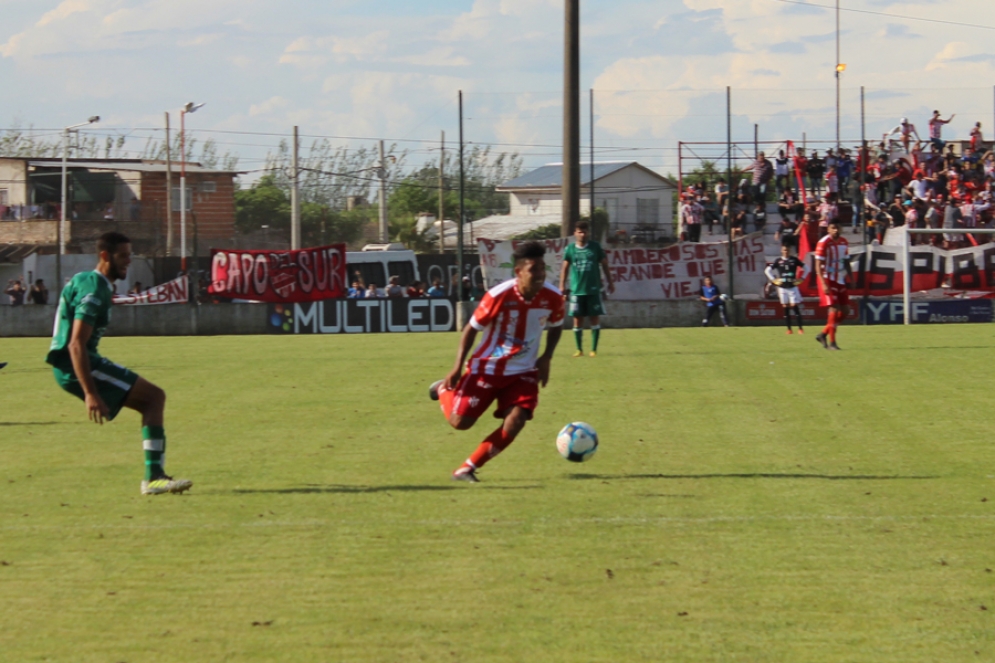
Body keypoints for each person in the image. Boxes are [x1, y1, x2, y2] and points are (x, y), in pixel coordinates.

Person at [46, 232, 192, 495]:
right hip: (77, 364)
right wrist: (90, 392)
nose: (129, 261)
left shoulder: (86, 280)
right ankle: (154, 478)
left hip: (78, 363)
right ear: (105, 256)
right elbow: (76, 343)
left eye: (130, 255)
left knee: (152, 399)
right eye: (123, 256)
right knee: (153, 398)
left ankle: (155, 476)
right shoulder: (94, 288)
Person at [428, 241, 564, 482]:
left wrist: (547, 356)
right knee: (460, 422)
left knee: (516, 421)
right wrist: (457, 367)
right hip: (487, 368)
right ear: (519, 272)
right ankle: (442, 390)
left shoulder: (552, 297)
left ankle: (466, 468)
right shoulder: (498, 296)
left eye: (543, 268)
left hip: (524, 372)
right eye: (534, 269)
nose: (541, 274)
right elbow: (470, 329)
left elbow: (556, 325)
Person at [559, 221, 614, 357]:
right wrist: (562, 286)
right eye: (580, 232)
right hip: (577, 290)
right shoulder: (570, 249)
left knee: (594, 318)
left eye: (585, 232)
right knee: (577, 320)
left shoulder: (595, 247)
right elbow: (565, 268)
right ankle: (579, 349)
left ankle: (593, 349)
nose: (582, 234)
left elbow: (605, 264)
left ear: (588, 233)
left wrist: (610, 281)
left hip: (593, 290)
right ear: (575, 233)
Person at [814, 220, 850, 351]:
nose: (836, 230)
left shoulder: (844, 242)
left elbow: (846, 261)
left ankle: (823, 333)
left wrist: (850, 277)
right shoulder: (823, 242)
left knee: (846, 311)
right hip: (827, 278)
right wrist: (823, 283)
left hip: (840, 279)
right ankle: (832, 343)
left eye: (838, 227)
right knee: (834, 310)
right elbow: (817, 264)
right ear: (828, 229)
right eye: (833, 228)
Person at [765, 245, 806, 334]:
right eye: (784, 250)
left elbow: (807, 268)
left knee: (794, 305)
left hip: (792, 286)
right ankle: (789, 329)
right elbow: (767, 270)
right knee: (785, 307)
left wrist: (802, 278)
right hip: (782, 287)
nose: (786, 251)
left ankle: (800, 328)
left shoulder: (794, 260)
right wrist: (774, 280)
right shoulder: (778, 261)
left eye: (787, 250)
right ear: (781, 250)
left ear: (790, 250)